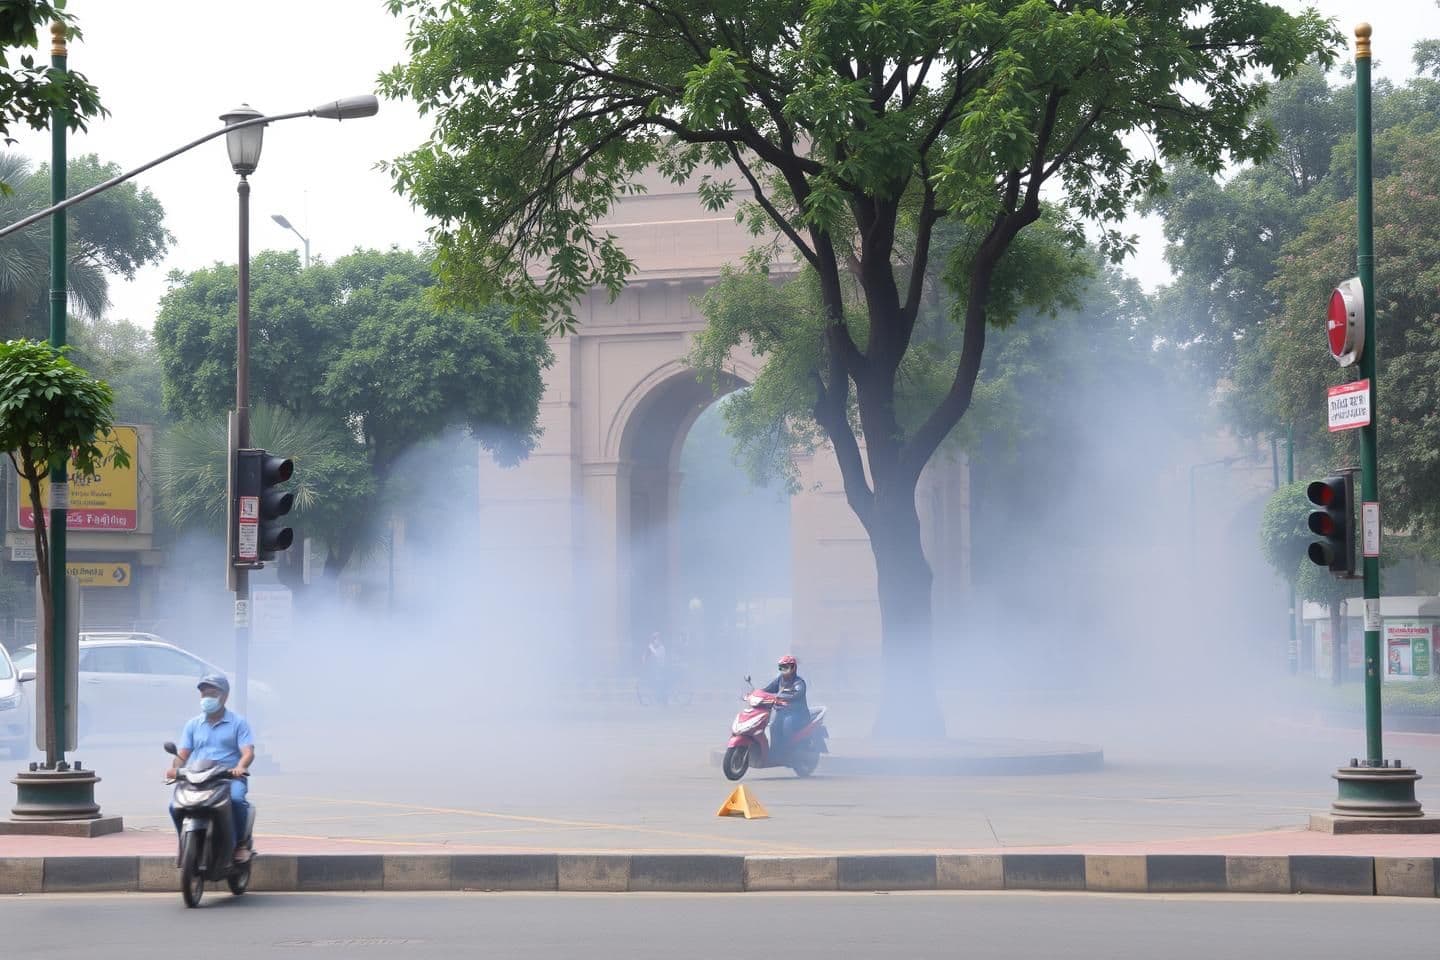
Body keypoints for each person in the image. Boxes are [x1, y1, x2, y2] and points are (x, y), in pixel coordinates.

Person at [165, 672, 255, 862]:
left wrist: (240, 766)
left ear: (225, 696)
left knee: (237, 800)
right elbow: (183, 754)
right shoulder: (193, 724)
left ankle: (240, 844)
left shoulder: (238, 723)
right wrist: (175, 769)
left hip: (228, 777)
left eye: (212, 693)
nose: (207, 698)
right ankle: (185, 841)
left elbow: (248, 752)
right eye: (204, 694)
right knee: (175, 806)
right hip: (198, 777)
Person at [764, 654, 808, 755]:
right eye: (781, 668)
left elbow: (797, 694)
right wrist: (757, 693)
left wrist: (781, 697)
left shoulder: (799, 682)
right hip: (783, 711)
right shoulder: (780, 679)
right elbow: (768, 688)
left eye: (786, 668)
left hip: (797, 713)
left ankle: (792, 752)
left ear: (793, 668)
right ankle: (775, 751)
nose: (783, 671)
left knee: (787, 726)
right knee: (773, 727)